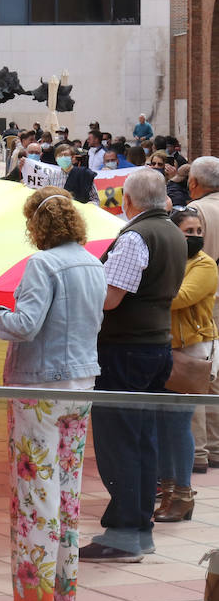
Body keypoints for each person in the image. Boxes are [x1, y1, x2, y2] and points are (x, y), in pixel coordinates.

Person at [0, 187, 106, 601]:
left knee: (35, 496)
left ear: (38, 225)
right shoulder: (92, 263)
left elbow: (26, 326)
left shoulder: (43, 264)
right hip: (81, 384)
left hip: (40, 389)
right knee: (67, 492)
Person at [81, 167, 187, 562]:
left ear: (127, 200)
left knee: (120, 441)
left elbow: (110, 298)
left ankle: (124, 532)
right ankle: (138, 528)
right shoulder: (174, 232)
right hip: (155, 345)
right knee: (142, 439)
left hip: (126, 349)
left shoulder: (136, 236)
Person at [154, 207, 216, 525]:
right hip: (163, 348)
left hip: (190, 352)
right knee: (162, 425)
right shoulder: (169, 260)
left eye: (197, 231)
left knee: (178, 424)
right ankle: (167, 492)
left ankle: (182, 494)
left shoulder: (204, 265)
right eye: (187, 231)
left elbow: (180, 296)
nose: (194, 237)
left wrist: (147, 282)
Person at [187, 157, 219, 474]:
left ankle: (198, 450)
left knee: (197, 372)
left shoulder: (198, 212)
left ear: (194, 182)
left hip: (203, 302)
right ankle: (217, 445)